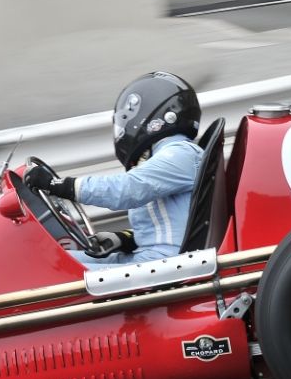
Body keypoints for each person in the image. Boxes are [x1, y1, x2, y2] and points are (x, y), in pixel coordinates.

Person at [25, 71, 202, 267]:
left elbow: (127, 189)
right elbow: (172, 225)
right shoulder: (172, 156)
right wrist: (123, 239)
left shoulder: (180, 153)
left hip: (164, 264)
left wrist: (58, 185)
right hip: (156, 259)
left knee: (49, 269)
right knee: (47, 260)